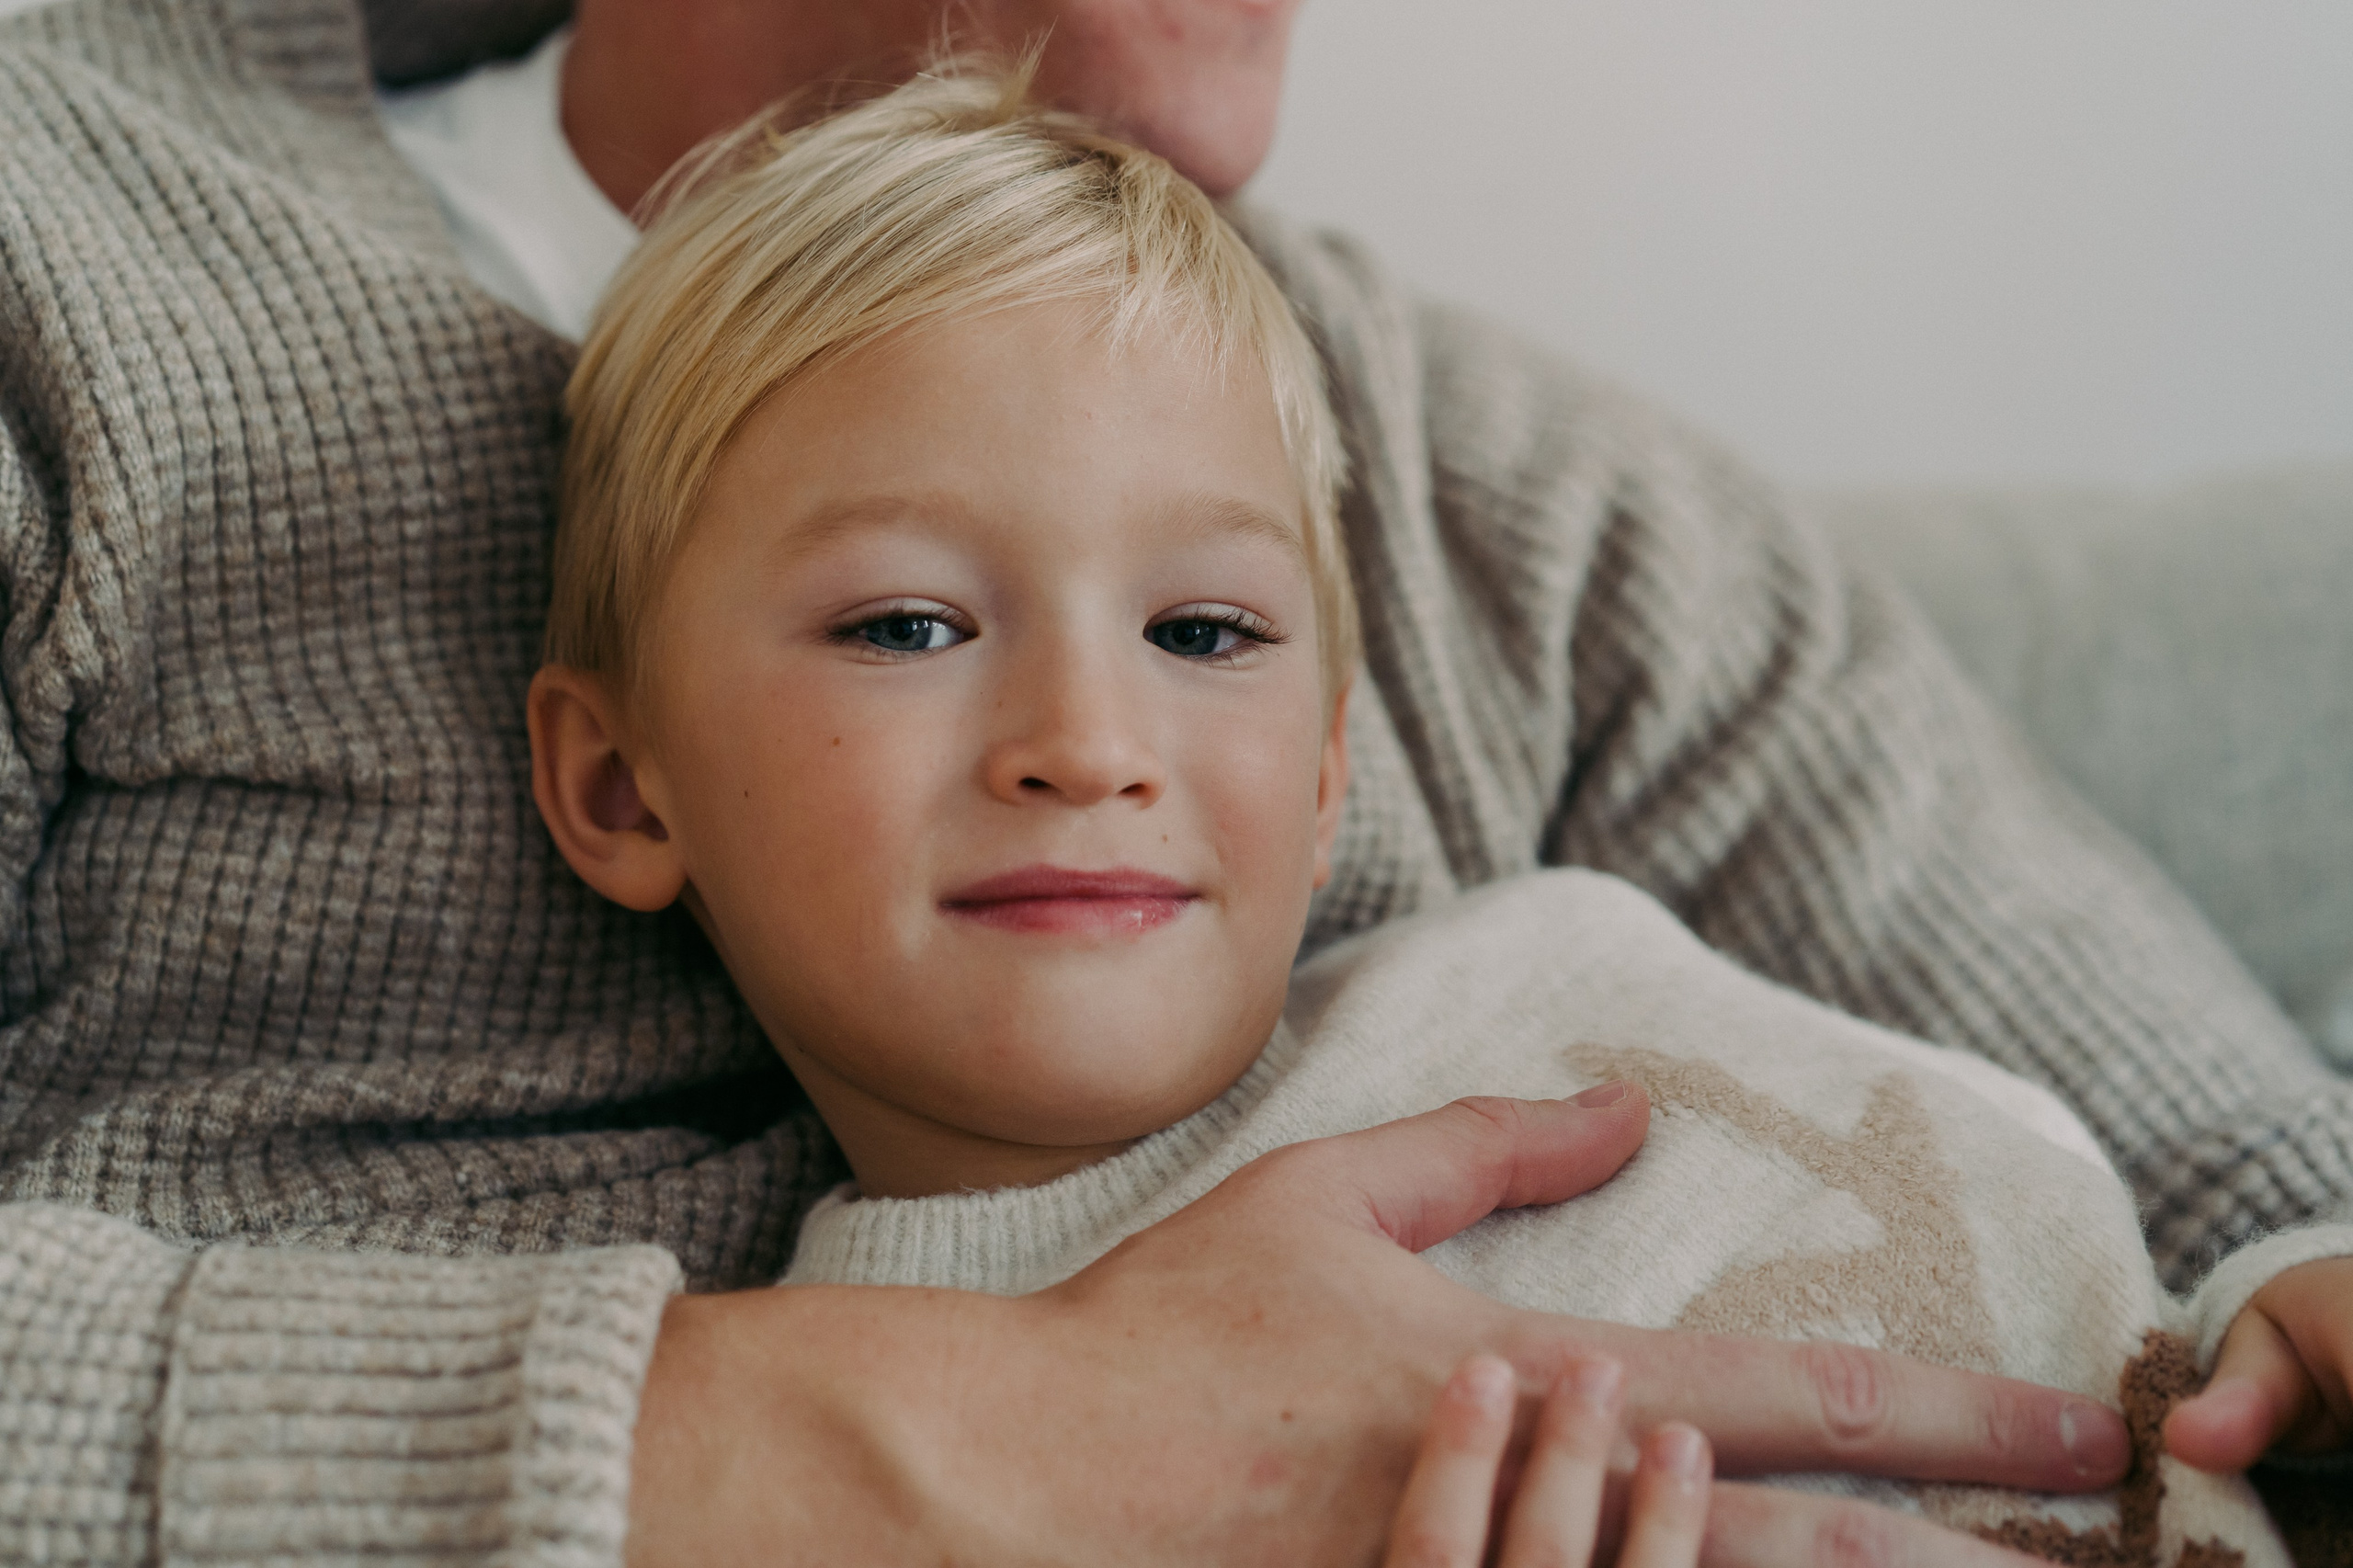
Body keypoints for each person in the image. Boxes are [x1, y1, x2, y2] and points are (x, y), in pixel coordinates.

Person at [0, 0, 2343, 1562]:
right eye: (905, 623)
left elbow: (2211, 1132)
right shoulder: (68, 242)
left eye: (1206, 635)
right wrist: (895, 1446)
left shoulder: (1471, 465)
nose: (1090, 744)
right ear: (610, 779)